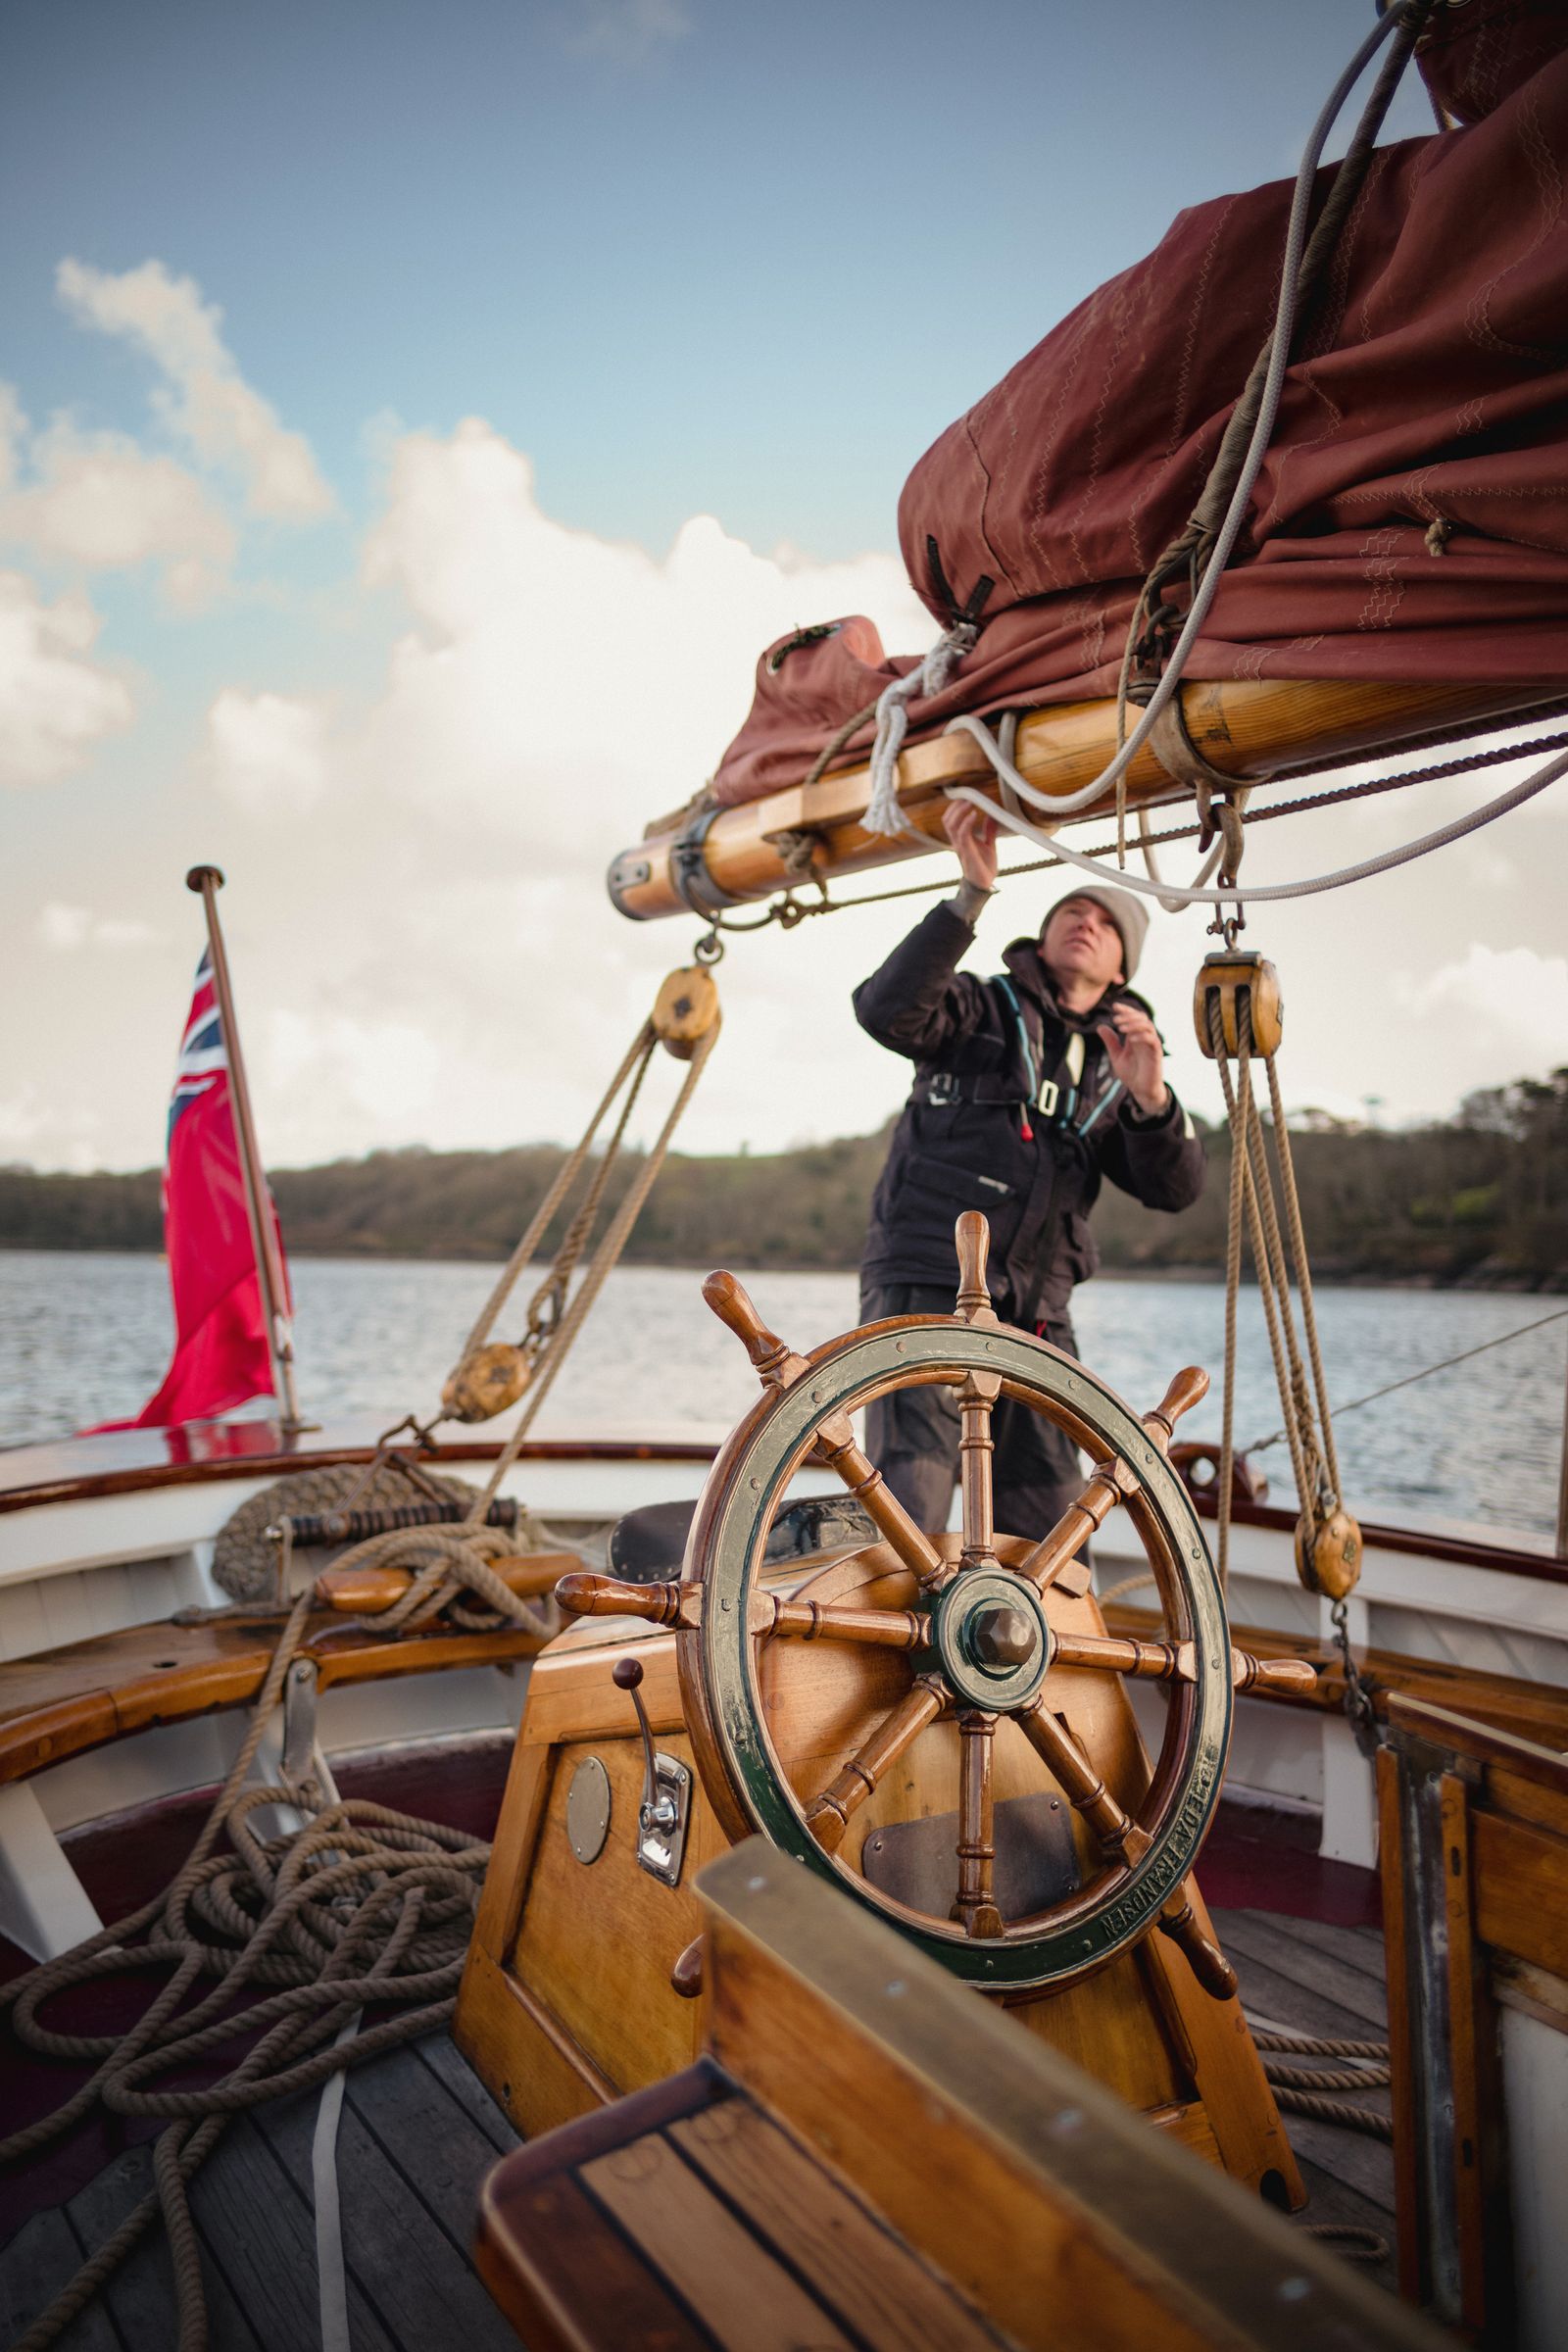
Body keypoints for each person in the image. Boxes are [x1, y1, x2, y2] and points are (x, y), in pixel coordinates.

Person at [853, 798, 1205, 1539]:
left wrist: (1151, 1097)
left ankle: (1041, 1646)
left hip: (1039, 1312)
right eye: (1073, 910)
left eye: (1107, 924)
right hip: (927, 1281)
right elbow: (886, 1011)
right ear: (1043, 934)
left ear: (1121, 967)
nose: (1087, 922)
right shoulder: (976, 1006)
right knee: (911, 1498)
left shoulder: (1123, 1066)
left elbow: (1174, 1190)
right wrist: (970, 895)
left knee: (1050, 1515)